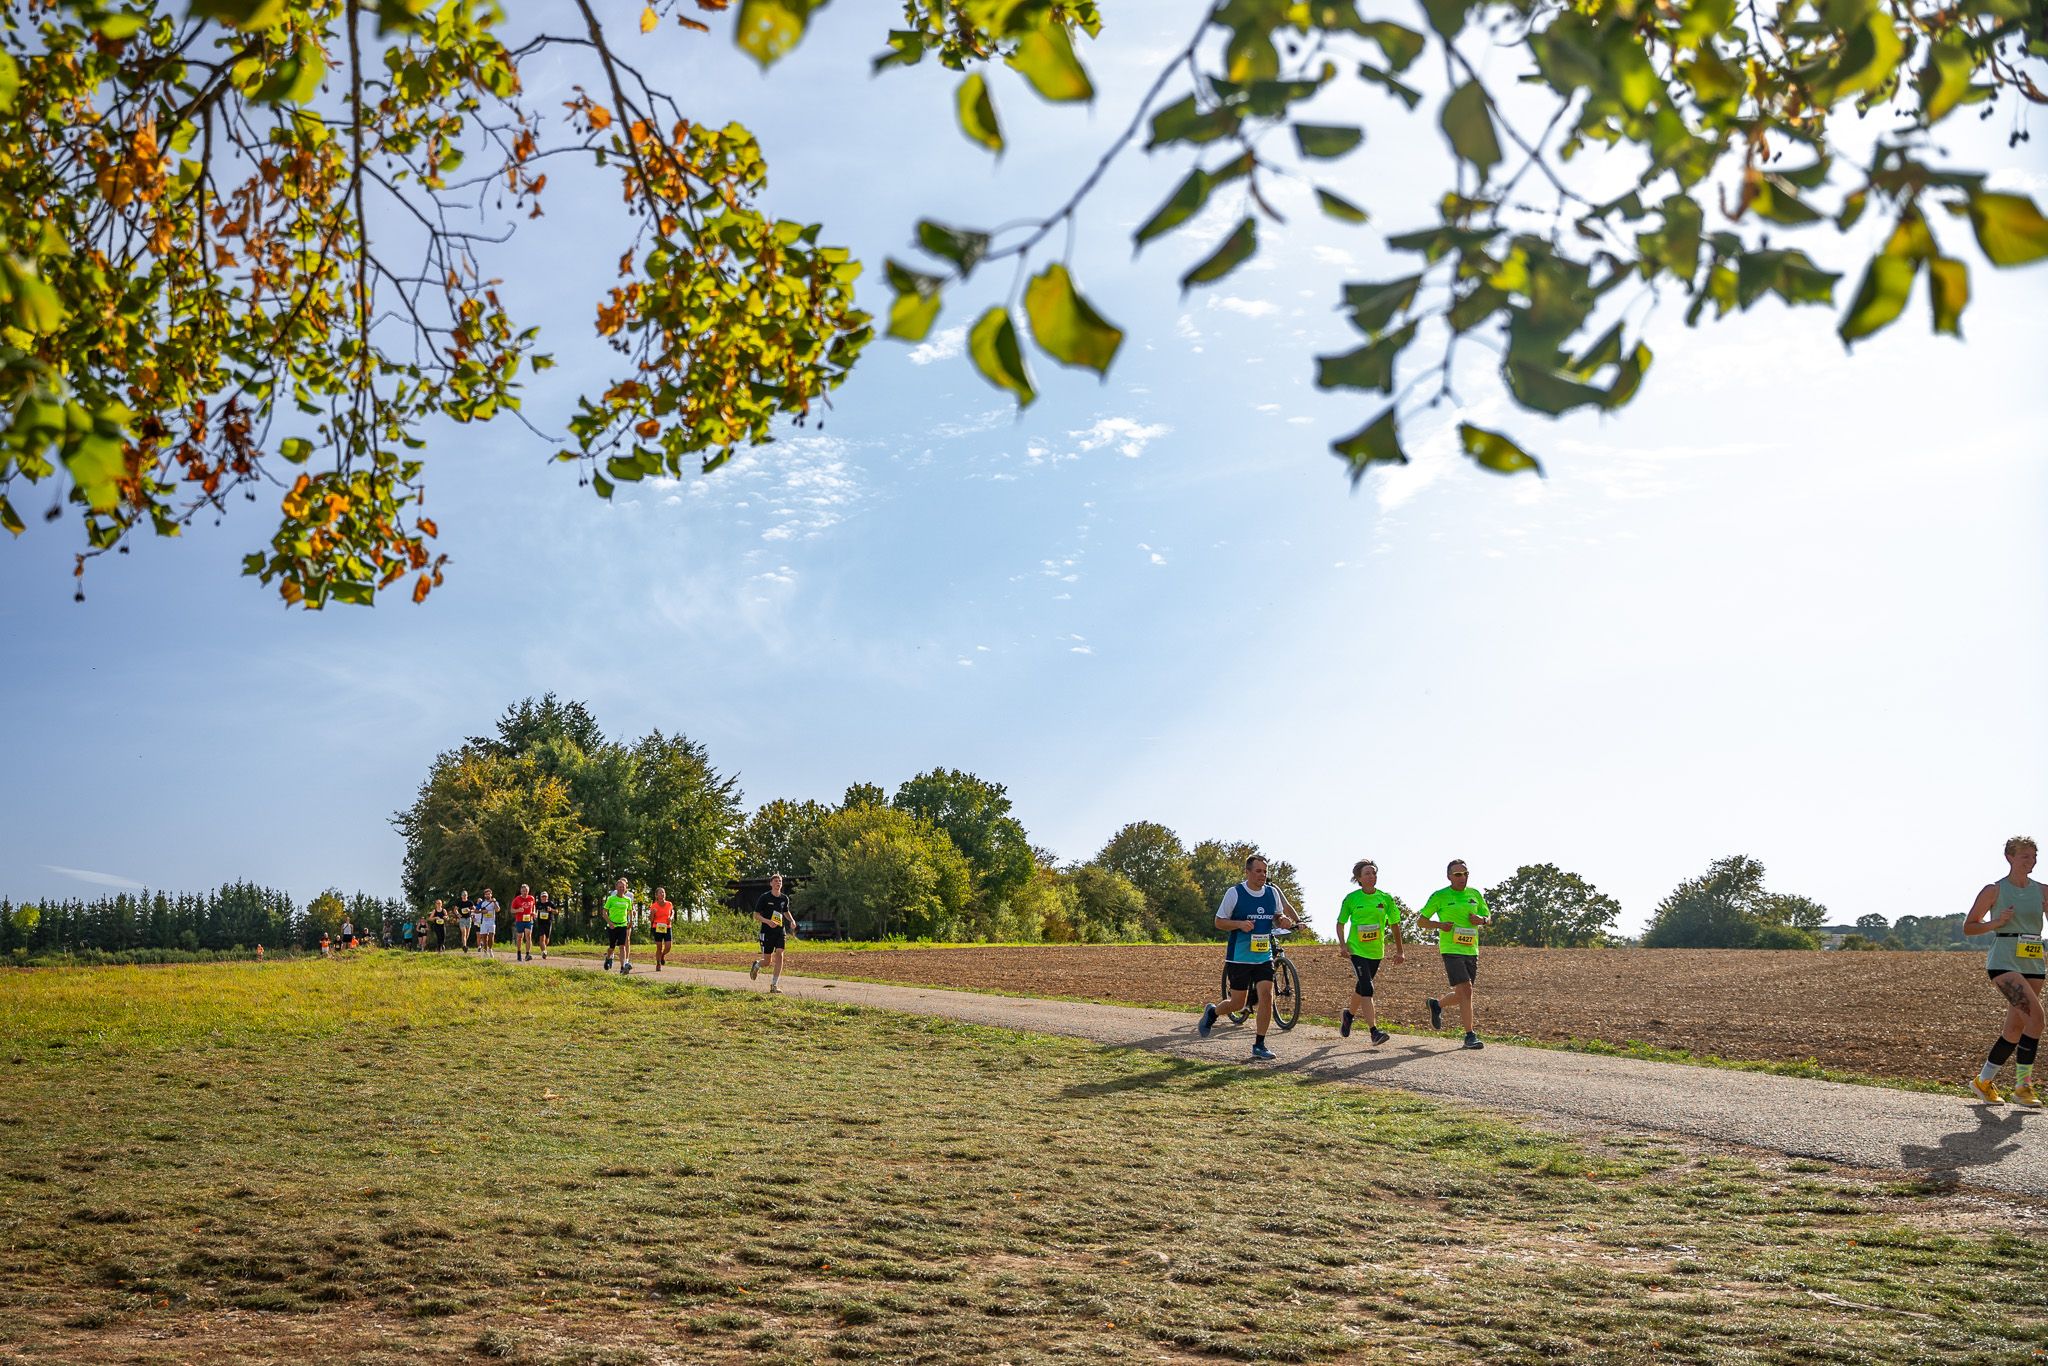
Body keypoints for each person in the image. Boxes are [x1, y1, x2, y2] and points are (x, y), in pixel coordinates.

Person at [1964, 836, 2044, 1107]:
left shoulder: (2043, 891)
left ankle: (1983, 1081)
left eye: (2034, 856)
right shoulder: (1994, 890)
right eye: (2025, 856)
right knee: (2037, 1019)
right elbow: (1969, 926)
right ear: (2010, 857)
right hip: (2004, 961)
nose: (2031, 861)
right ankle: (2023, 1088)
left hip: (2034, 962)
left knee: (2015, 1028)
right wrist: (1996, 922)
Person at [1197, 855, 1300, 1061]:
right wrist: (1239, 924)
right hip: (1239, 957)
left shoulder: (1272, 893)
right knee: (1237, 1003)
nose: (1262, 875)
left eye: (1265, 871)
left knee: (1266, 996)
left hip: (1263, 956)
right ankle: (1213, 1012)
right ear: (1248, 872)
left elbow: (1276, 917)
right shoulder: (1235, 893)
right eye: (1258, 871)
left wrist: (1284, 920)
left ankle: (1259, 1044)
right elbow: (1219, 922)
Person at [1416, 859, 1490, 1050]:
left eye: (1465, 874)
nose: (1462, 877)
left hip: (1471, 949)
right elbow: (1421, 921)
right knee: (1467, 990)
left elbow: (1488, 917)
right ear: (1449, 876)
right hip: (1451, 949)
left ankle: (1436, 1005)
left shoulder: (1474, 894)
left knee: (1462, 994)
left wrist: (1481, 920)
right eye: (1458, 874)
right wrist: (1440, 925)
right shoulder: (1440, 896)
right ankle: (1469, 1035)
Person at [1334, 859, 1405, 1045]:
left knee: (1362, 987)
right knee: (1367, 987)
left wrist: (1400, 950)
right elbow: (1340, 924)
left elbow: (1395, 925)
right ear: (1359, 878)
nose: (1372, 876)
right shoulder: (1351, 899)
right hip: (1357, 950)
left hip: (1376, 952)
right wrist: (1343, 946)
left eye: (1374, 873)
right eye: (1367, 873)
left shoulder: (1385, 898)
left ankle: (1348, 1015)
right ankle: (1374, 1032)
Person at [751, 874, 794, 992]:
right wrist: (768, 922)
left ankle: (774, 986)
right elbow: (756, 915)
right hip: (767, 932)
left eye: (780, 881)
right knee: (767, 962)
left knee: (780, 954)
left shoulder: (784, 898)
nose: (778, 883)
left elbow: (786, 911)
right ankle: (757, 965)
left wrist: (792, 920)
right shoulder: (764, 897)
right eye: (775, 881)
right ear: (771, 883)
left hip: (780, 931)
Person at [602, 878, 635, 974]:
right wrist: (610, 922)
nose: (621, 889)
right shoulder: (611, 899)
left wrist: (631, 921)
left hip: (623, 925)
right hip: (612, 926)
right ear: (616, 888)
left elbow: (630, 911)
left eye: (623, 887)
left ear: (625, 888)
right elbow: (604, 912)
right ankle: (608, 958)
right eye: (619, 887)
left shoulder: (628, 899)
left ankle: (622, 967)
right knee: (611, 948)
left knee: (622, 946)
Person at [649, 887, 675, 972]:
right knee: (659, 947)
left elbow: (672, 912)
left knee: (668, 947)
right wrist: (652, 913)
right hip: (657, 927)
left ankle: (662, 955)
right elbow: (651, 919)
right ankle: (658, 963)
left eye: (663, 892)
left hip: (667, 927)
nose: (662, 894)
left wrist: (671, 917)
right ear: (656, 895)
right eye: (660, 893)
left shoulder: (669, 904)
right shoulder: (654, 906)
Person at [510, 885, 537, 962]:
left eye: (526, 891)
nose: (525, 892)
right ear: (521, 891)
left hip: (529, 920)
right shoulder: (517, 899)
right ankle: (518, 953)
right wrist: (518, 910)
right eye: (523, 891)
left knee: (528, 935)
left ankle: (527, 954)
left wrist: (534, 912)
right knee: (520, 937)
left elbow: (534, 906)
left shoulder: (531, 898)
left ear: (528, 891)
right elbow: (512, 910)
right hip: (519, 920)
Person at [474, 888, 500, 959]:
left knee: (491, 936)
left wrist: (494, 902)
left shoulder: (494, 902)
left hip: (492, 922)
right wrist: (482, 912)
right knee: (484, 938)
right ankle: (485, 952)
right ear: (484, 895)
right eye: (486, 894)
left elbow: (497, 909)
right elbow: (475, 911)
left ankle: (490, 949)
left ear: (491, 894)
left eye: (489, 894)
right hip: (484, 922)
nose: (488, 895)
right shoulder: (482, 903)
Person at [534, 891, 556, 960]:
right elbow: (535, 910)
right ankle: (544, 951)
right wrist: (535, 914)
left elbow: (557, 911)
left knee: (547, 938)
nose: (544, 898)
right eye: (543, 896)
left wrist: (551, 909)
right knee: (542, 937)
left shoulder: (550, 903)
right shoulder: (538, 903)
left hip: (548, 922)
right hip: (541, 922)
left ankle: (544, 949)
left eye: (545, 896)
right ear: (540, 897)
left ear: (547, 897)